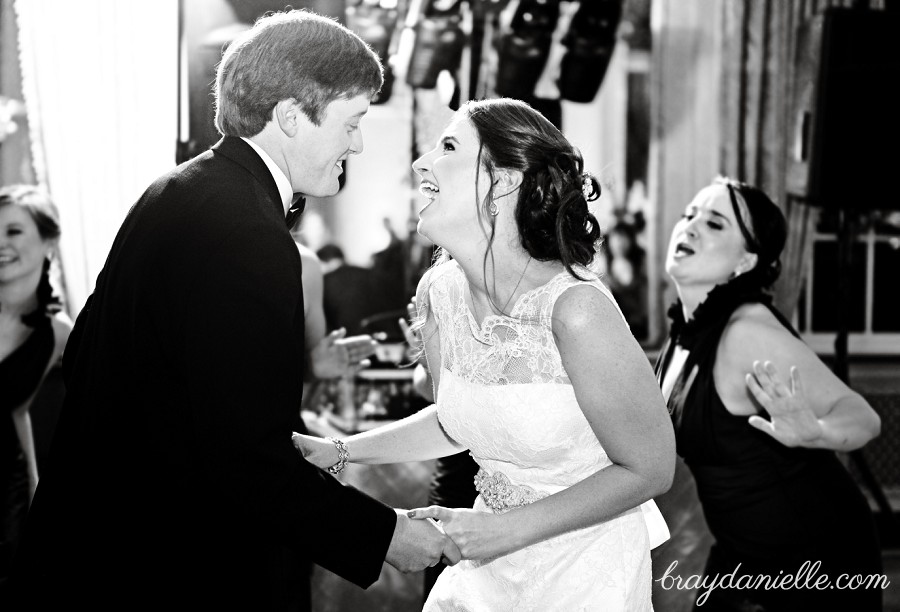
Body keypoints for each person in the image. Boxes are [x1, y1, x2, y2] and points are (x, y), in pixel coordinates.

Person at [7, 10, 458, 611]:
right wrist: (387, 534)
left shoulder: (175, 193)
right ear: (292, 117)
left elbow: (98, 358)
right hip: (176, 570)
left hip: (103, 558)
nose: (357, 142)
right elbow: (243, 456)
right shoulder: (247, 232)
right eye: (352, 122)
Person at [295, 97, 676, 610]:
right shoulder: (441, 293)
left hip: (585, 565)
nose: (420, 162)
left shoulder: (576, 310)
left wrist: (504, 532)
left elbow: (651, 469)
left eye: (448, 146)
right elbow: (461, 419)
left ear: (504, 182)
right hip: (487, 563)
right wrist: (341, 451)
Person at [655, 176, 883, 610]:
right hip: (744, 556)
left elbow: (863, 417)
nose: (691, 227)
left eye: (716, 223)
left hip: (815, 561)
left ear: (744, 263)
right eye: (690, 215)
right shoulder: (686, 331)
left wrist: (814, 431)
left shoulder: (746, 332)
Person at [0, 186, 72, 591]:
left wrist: (32, 498)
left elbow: (16, 412)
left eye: (12, 231)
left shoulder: (58, 334)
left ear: (49, 242)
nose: (0, 245)